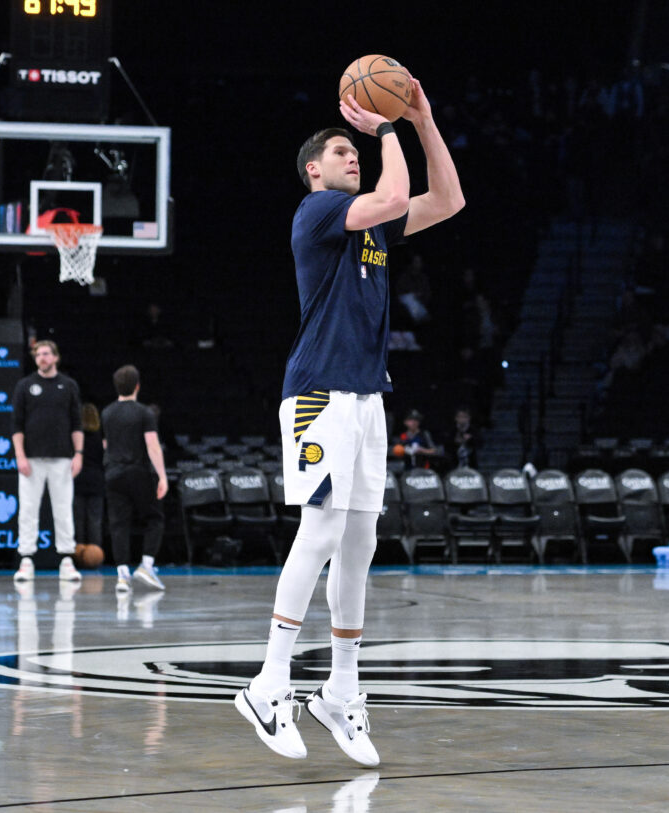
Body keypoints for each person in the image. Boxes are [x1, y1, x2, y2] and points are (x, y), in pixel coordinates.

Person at [235, 79, 464, 767]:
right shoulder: (319, 212)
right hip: (318, 391)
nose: (353, 155)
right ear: (315, 170)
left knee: (359, 541)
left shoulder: (370, 221)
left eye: (355, 149)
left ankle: (340, 689)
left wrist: (422, 117)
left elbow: (448, 200)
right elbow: (393, 195)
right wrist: (386, 128)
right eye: (343, 150)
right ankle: (269, 682)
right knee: (324, 527)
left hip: (367, 395)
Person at [11, 340, 84, 583]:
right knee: (28, 510)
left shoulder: (69, 385)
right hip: (31, 459)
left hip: (62, 458)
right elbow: (17, 426)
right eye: (38, 354)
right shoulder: (25, 385)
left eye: (45, 354)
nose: (41, 358)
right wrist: (20, 456)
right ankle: (26, 560)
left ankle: (66, 559)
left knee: (63, 509)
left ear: (55, 357)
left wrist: (79, 453)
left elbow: (77, 424)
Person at [101, 366, 168, 594]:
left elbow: (106, 445)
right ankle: (147, 565)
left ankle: (122, 577)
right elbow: (152, 445)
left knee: (118, 524)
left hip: (113, 473)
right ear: (137, 386)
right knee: (155, 518)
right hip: (138, 472)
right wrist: (162, 476)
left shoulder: (107, 412)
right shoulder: (144, 413)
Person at [73, 402, 105, 556]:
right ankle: (94, 554)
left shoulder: (75, 439)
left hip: (78, 480)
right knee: (95, 520)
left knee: (78, 518)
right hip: (96, 481)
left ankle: (78, 553)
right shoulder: (100, 439)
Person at [443, 406, 481, 470]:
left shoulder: (473, 431)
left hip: (470, 465)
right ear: (456, 418)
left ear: (469, 418)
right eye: (460, 417)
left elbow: (480, 444)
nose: (462, 420)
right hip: (454, 465)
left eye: (465, 417)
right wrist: (455, 441)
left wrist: (470, 439)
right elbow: (446, 447)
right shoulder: (451, 431)